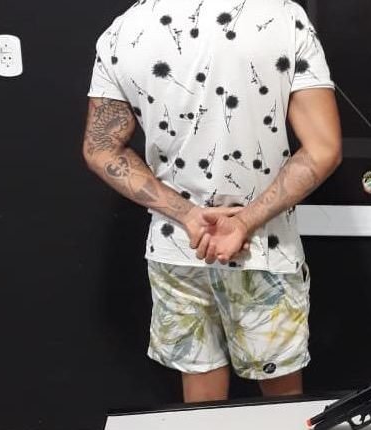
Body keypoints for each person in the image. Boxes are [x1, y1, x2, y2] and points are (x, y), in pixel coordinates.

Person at [82, 0, 342, 403]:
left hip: (180, 245)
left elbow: (100, 147)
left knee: (201, 407)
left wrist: (187, 215)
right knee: (283, 406)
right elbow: (323, 149)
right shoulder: (282, 17)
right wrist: (243, 222)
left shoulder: (123, 31)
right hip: (264, 245)